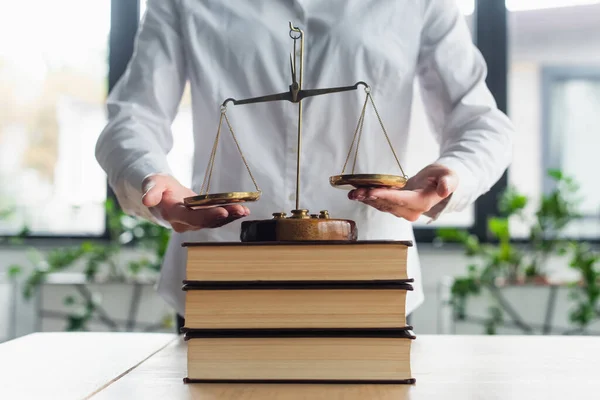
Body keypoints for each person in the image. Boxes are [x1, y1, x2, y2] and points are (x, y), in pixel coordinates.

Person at [95, 0, 514, 330]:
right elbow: (133, 114)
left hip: (369, 277)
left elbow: (480, 120)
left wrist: (455, 172)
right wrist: (150, 175)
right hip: (221, 279)